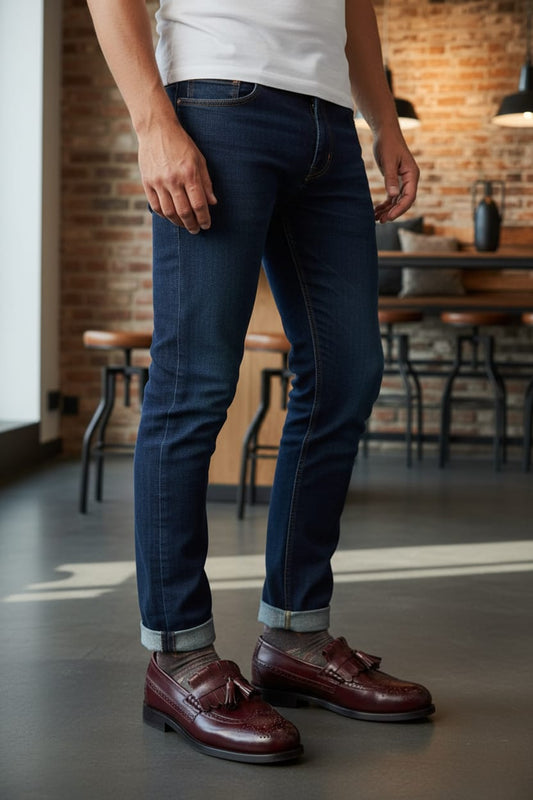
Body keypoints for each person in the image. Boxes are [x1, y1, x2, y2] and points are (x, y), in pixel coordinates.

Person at [86, 0, 434, 764]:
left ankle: (295, 635)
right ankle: (177, 656)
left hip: (328, 124)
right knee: (196, 381)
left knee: (346, 375)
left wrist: (385, 121)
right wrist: (153, 122)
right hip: (217, 100)